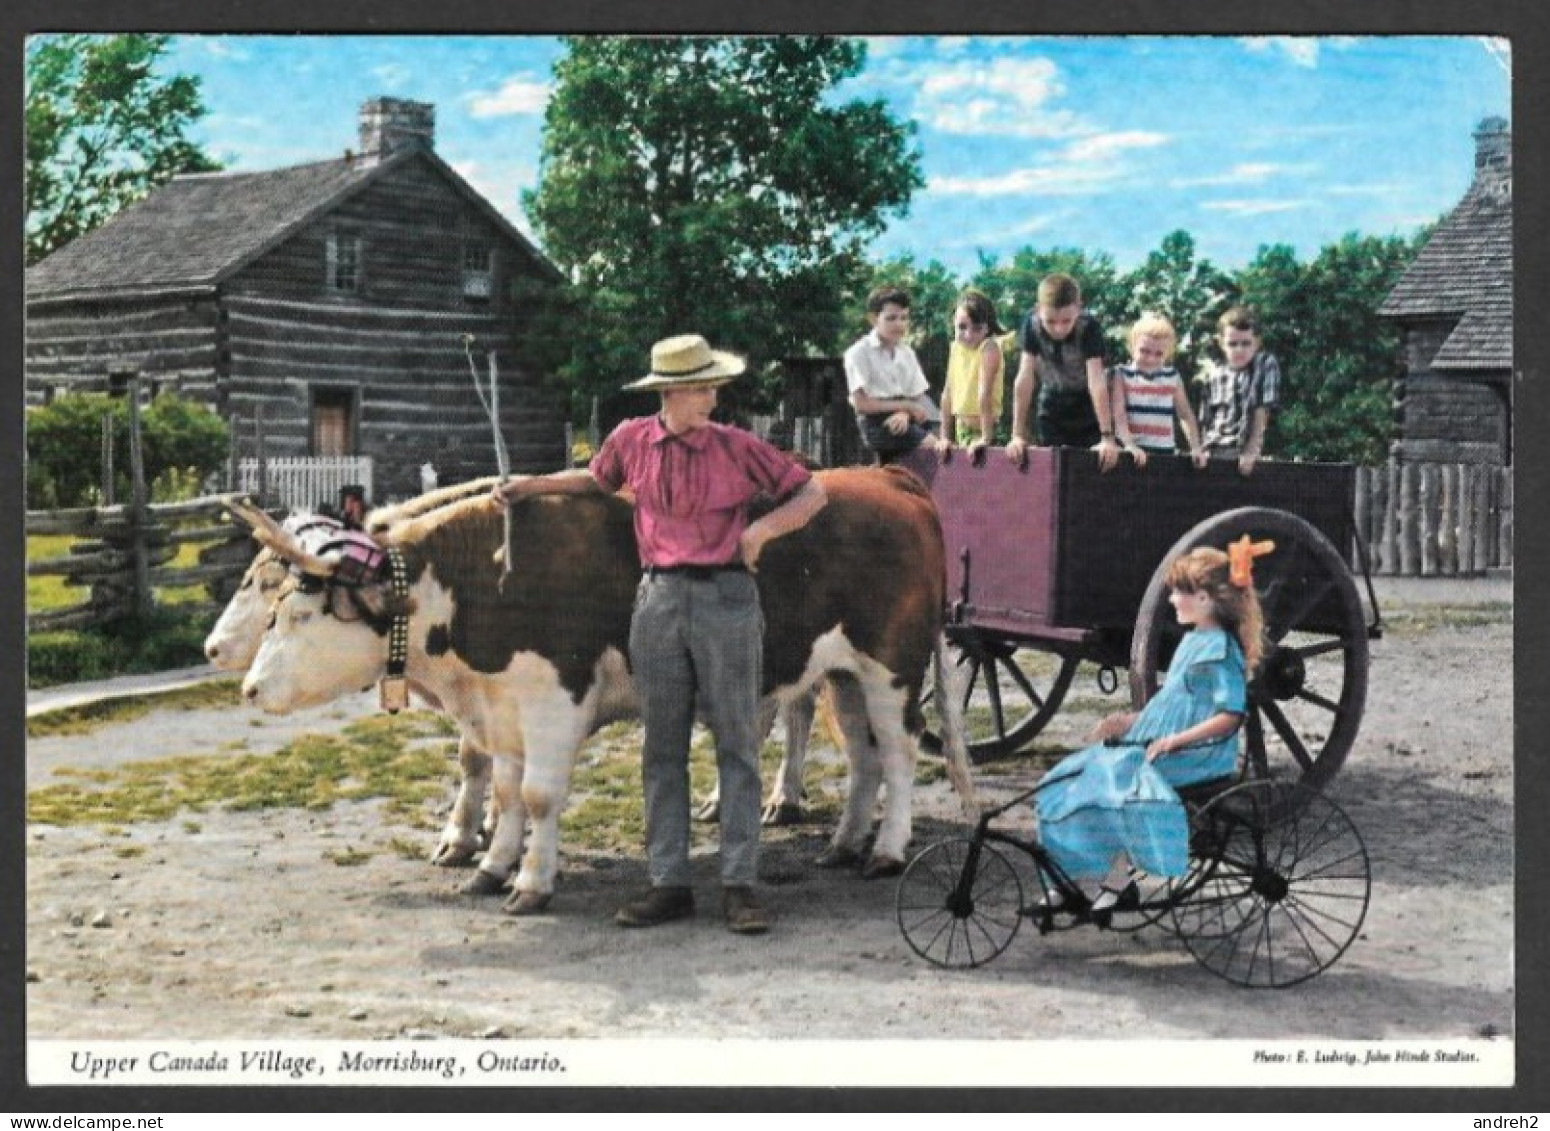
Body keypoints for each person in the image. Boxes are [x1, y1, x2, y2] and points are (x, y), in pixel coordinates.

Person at [490, 333, 827, 935]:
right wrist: (531, 485)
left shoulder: (738, 446)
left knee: (737, 743)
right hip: (658, 602)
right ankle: (668, 881)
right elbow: (595, 481)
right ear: (669, 393)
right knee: (662, 748)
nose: (712, 396)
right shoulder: (631, 440)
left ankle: (740, 885)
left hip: (728, 599)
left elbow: (812, 490)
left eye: (713, 385)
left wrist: (760, 534)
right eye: (701, 387)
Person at [1034, 538, 1272, 912]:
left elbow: (1231, 716)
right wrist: (1127, 722)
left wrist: (1176, 740)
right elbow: (1175, 703)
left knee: (1115, 786)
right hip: (1167, 745)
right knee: (1073, 778)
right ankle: (1077, 877)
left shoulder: (1220, 651)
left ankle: (1114, 881)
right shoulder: (1194, 642)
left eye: (1180, 592)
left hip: (1200, 755)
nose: (1174, 599)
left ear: (1206, 599)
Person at [1005, 273, 1123, 471]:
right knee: (1053, 470)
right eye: (1050, 321)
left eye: (1066, 321)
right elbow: (1024, 378)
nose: (1059, 329)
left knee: (1090, 469)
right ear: (1038, 309)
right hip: (1052, 403)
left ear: (1079, 307)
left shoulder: (1089, 328)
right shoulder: (1031, 324)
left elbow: (1097, 381)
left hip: (1086, 405)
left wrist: (1107, 437)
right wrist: (1017, 435)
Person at [843, 285, 945, 463]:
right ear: (874, 319)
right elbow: (861, 404)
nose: (899, 324)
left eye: (904, 318)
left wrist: (905, 413)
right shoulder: (858, 352)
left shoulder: (907, 353)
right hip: (877, 422)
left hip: (908, 416)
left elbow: (917, 396)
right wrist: (905, 406)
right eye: (891, 318)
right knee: (933, 449)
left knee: (945, 440)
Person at [1109, 313, 1208, 470]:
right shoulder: (1122, 374)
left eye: (1159, 354)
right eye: (1144, 351)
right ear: (1132, 346)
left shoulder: (1172, 377)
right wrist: (1130, 445)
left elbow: (1185, 414)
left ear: (1168, 353)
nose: (1150, 359)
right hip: (1132, 453)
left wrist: (1195, 447)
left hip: (1164, 452)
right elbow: (1119, 415)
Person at [1198, 306, 1282, 476]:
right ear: (1221, 343)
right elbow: (1206, 418)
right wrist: (1201, 450)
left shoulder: (1264, 364)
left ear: (1257, 343)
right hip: (1214, 450)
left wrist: (1252, 449)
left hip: (1244, 450)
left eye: (1246, 343)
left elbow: (1262, 409)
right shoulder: (1214, 373)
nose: (1239, 350)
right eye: (1233, 344)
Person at [938, 289, 1006, 460]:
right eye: (962, 327)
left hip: (986, 429)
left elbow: (985, 393)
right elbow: (948, 393)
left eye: (977, 328)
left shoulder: (989, 347)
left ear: (988, 327)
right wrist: (945, 437)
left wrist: (985, 438)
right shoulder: (955, 348)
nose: (968, 334)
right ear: (953, 323)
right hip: (962, 429)